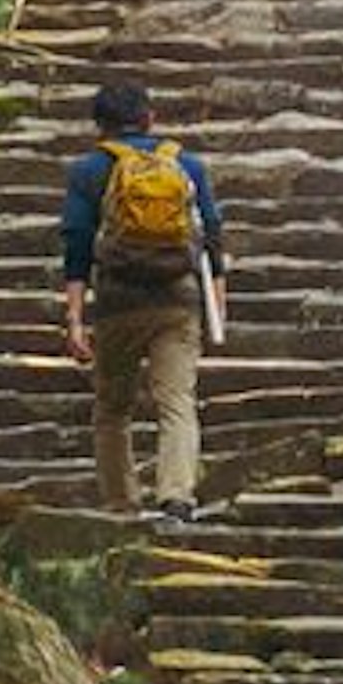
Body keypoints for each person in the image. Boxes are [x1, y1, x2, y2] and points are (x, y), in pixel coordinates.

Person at [59, 74, 224, 515]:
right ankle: (176, 495)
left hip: (118, 303)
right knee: (176, 402)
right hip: (177, 299)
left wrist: (75, 318)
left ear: (99, 126)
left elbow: (76, 245)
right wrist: (217, 312)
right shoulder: (186, 166)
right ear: (150, 118)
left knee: (113, 408)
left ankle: (122, 503)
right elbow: (212, 239)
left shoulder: (89, 170)